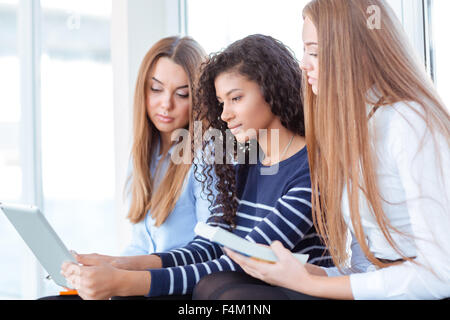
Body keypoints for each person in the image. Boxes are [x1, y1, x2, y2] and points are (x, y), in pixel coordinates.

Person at [61, 34, 332, 300]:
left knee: (214, 289)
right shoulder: (243, 163)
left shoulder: (310, 170)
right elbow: (210, 249)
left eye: (236, 98)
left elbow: (245, 260)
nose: (225, 115)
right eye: (221, 102)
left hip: (289, 291)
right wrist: (120, 265)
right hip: (241, 284)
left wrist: (128, 281)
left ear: (272, 90)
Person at [225, 0, 450, 300]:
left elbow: (441, 275)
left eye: (315, 52)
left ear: (354, 53)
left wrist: (311, 284)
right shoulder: (356, 130)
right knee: (223, 287)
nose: (304, 64)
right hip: (382, 287)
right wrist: (306, 273)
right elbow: (365, 269)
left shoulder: (410, 122)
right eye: (305, 50)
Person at [43, 36, 213, 300]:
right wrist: (100, 274)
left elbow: (210, 249)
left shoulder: (206, 157)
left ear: (199, 99)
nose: (165, 104)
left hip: (173, 289)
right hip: (133, 287)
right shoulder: (145, 153)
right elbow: (139, 245)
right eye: (156, 89)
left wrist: (118, 271)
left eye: (182, 94)